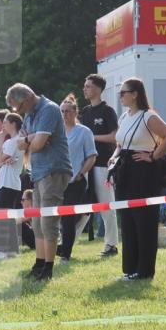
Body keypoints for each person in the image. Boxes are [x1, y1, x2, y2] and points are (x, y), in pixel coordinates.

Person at [108, 78, 166, 281]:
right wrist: (114, 156)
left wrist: (154, 156)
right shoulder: (124, 116)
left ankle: (145, 271)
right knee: (127, 220)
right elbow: (120, 144)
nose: (120, 96)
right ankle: (130, 269)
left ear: (135, 94)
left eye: (123, 92)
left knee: (144, 221)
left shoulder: (148, 116)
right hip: (124, 170)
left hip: (143, 172)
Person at [5, 83, 72, 281]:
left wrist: (30, 140)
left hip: (54, 170)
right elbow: (20, 144)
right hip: (39, 172)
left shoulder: (49, 109)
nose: (18, 112)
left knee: (48, 221)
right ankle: (39, 263)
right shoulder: (29, 114)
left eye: (18, 107)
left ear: (26, 99)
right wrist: (31, 139)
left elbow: (38, 144)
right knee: (37, 221)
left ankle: (48, 269)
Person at [80, 74, 120, 256]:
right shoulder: (85, 111)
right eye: (85, 86)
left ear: (98, 89)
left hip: (103, 164)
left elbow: (115, 137)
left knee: (107, 207)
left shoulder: (108, 111)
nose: (84, 89)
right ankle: (66, 246)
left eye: (88, 86)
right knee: (83, 205)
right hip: (86, 164)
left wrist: (91, 137)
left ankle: (111, 245)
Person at [58, 93, 97, 263]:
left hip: (75, 181)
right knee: (54, 218)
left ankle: (65, 254)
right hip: (56, 182)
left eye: (67, 111)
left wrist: (80, 174)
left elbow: (91, 156)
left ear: (75, 112)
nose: (64, 114)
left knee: (68, 219)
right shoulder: (56, 131)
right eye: (62, 111)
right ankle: (55, 249)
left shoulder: (84, 132)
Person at [0, 112, 25, 259]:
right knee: (8, 216)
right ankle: (12, 250)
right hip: (7, 183)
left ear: (13, 124)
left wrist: (0, 140)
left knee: (2, 216)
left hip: (9, 183)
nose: (3, 125)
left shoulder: (13, 141)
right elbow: (0, 163)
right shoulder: (12, 141)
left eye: (5, 122)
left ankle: (2, 250)